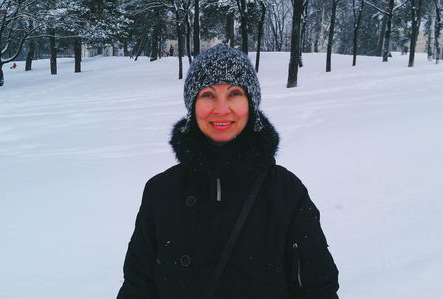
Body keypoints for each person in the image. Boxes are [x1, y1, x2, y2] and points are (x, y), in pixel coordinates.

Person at [117, 44, 339, 299]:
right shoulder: (161, 191)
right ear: (192, 105)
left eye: (234, 93)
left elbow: (318, 288)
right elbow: (137, 286)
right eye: (208, 95)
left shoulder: (285, 191)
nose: (221, 109)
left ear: (250, 104)